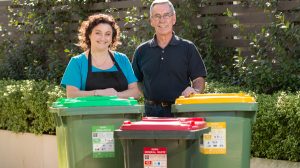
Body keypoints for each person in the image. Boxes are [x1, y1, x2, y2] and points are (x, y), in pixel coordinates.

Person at [132, 0, 207, 117]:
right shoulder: (141, 51)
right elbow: (135, 82)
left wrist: (195, 91)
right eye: (157, 16)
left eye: (166, 15)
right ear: (151, 21)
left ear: (174, 18)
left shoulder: (188, 48)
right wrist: (149, 94)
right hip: (151, 112)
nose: (162, 20)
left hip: (181, 110)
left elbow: (198, 78)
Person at [61, 13, 140, 99]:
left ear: (112, 37)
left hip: (122, 112)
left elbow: (135, 92)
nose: (103, 38)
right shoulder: (77, 62)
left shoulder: (122, 59)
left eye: (108, 34)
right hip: (88, 112)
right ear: (89, 35)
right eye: (98, 33)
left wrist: (116, 95)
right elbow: (72, 94)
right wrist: (97, 93)